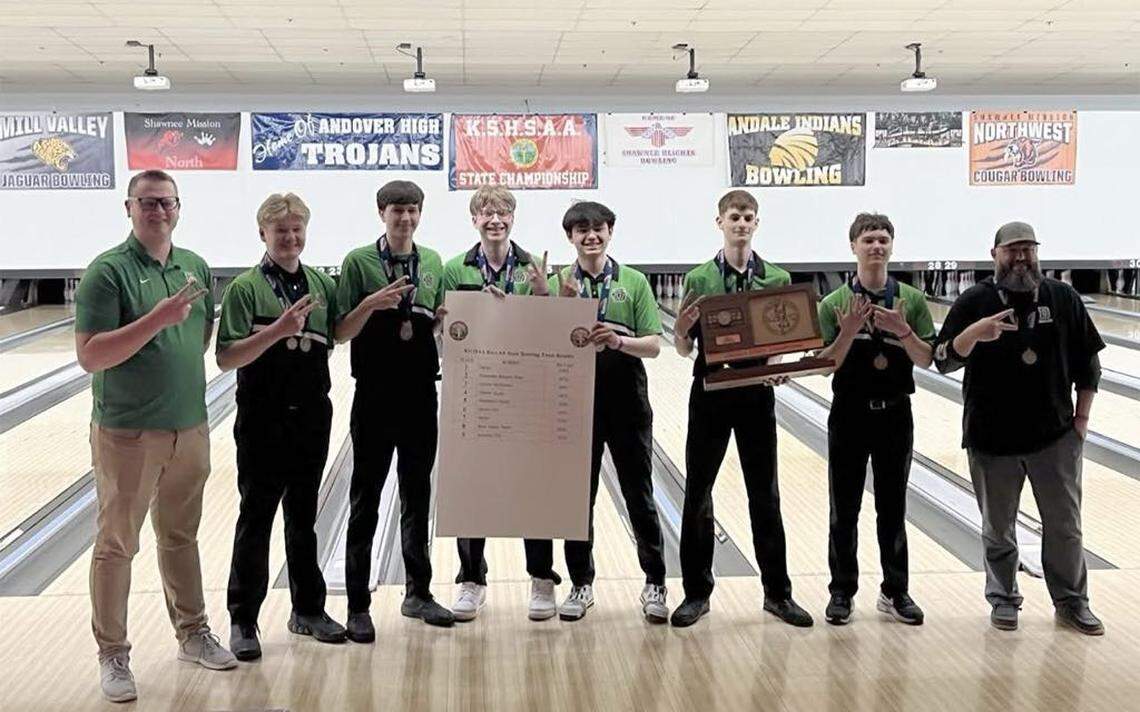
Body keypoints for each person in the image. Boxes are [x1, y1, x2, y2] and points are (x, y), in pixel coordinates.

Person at [75, 169, 236, 703]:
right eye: (147, 203)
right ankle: (113, 654)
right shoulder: (107, 272)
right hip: (127, 431)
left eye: (166, 203)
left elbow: (200, 340)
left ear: (178, 207)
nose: (158, 211)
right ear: (129, 208)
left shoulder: (195, 265)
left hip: (189, 426)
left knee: (181, 536)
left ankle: (192, 633)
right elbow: (90, 355)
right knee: (118, 543)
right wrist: (157, 319)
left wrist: (172, 326)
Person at [934, 221, 1105, 636]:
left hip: (1055, 437)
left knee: (1065, 526)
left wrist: (1080, 422)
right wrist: (973, 334)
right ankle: (1004, 599)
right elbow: (941, 358)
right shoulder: (974, 301)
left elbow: (1089, 364)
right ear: (995, 254)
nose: (1021, 257)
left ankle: (1071, 602)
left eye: (1028, 249)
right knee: (997, 528)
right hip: (991, 438)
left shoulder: (1063, 298)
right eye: (1012, 250)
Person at [670, 189, 812, 628]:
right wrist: (678, 330)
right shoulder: (698, 279)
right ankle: (696, 594)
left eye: (748, 217)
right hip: (710, 391)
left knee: (764, 494)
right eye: (734, 216)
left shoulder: (776, 278)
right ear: (720, 222)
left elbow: (781, 343)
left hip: (755, 393)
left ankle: (777, 594)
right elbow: (682, 347)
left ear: (756, 222)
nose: (742, 223)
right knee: (698, 493)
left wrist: (775, 367)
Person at [218, 193, 347, 660]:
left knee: (303, 518)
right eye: (281, 232)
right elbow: (226, 356)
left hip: (312, 414)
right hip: (262, 419)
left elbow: (333, 338)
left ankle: (308, 610)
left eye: (297, 230)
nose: (290, 238)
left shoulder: (320, 284)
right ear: (263, 235)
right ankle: (243, 619)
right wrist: (278, 329)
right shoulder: (245, 289)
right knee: (256, 518)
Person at [335, 180, 455, 641]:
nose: (404, 218)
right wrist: (371, 303)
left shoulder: (434, 263)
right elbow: (342, 330)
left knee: (417, 495)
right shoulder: (358, 262)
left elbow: (438, 324)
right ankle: (358, 606)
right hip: (374, 396)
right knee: (364, 500)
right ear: (381, 212)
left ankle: (418, 593)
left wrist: (448, 320)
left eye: (412, 211)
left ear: (420, 214)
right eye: (396, 211)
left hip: (421, 394)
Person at [441, 185, 561, 622]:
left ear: (513, 218)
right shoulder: (456, 269)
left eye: (503, 212)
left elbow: (551, 333)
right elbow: (451, 333)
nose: (495, 219)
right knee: (472, 485)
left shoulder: (534, 268)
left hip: (527, 391)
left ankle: (542, 578)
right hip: (475, 393)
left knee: (534, 485)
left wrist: (544, 298)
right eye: (487, 212)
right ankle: (471, 579)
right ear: (475, 220)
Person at [548, 201, 669, 622]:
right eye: (581, 230)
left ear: (610, 231)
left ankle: (655, 580)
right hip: (574, 400)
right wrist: (560, 308)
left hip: (627, 399)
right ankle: (581, 584)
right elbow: (543, 345)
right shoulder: (559, 281)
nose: (590, 236)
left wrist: (618, 340)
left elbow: (654, 344)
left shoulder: (633, 282)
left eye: (598, 228)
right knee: (576, 500)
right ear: (570, 237)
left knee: (640, 495)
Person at [816, 213, 935, 626]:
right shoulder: (832, 304)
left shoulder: (912, 300)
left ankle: (895, 591)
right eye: (869, 239)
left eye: (883, 239)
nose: (877, 246)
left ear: (892, 246)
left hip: (895, 414)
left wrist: (903, 330)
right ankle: (841, 592)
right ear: (853, 246)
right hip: (848, 413)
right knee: (843, 509)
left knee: (893, 507)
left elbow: (927, 358)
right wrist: (848, 329)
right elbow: (825, 365)